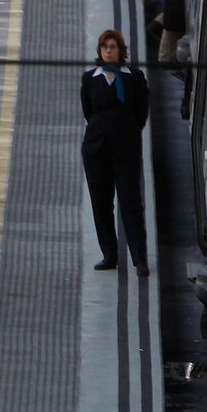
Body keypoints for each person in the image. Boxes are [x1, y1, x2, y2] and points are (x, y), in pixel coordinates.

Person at [80, 29, 151, 277]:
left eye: (113, 46)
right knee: (101, 204)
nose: (109, 50)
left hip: (126, 149)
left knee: (131, 203)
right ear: (99, 51)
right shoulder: (90, 78)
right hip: (96, 149)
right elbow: (89, 111)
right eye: (105, 47)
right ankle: (109, 255)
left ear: (121, 50)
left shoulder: (136, 78)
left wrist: (126, 131)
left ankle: (139, 259)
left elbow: (141, 113)